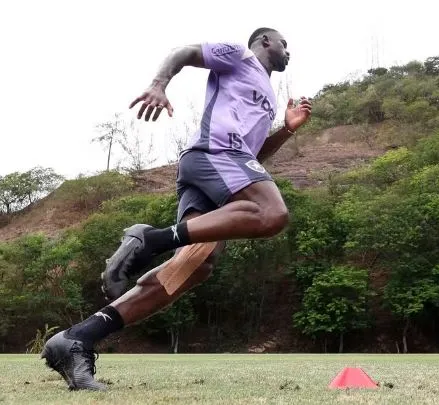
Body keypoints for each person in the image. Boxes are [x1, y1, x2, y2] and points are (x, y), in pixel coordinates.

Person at [41, 27, 312, 391]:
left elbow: (255, 156)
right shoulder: (241, 55)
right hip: (214, 155)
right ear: (265, 41)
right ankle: (150, 239)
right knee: (272, 213)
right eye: (284, 43)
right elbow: (184, 50)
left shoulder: (267, 95)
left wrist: (287, 129)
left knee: (196, 265)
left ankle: (77, 339)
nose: (288, 51)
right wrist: (159, 84)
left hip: (224, 167)